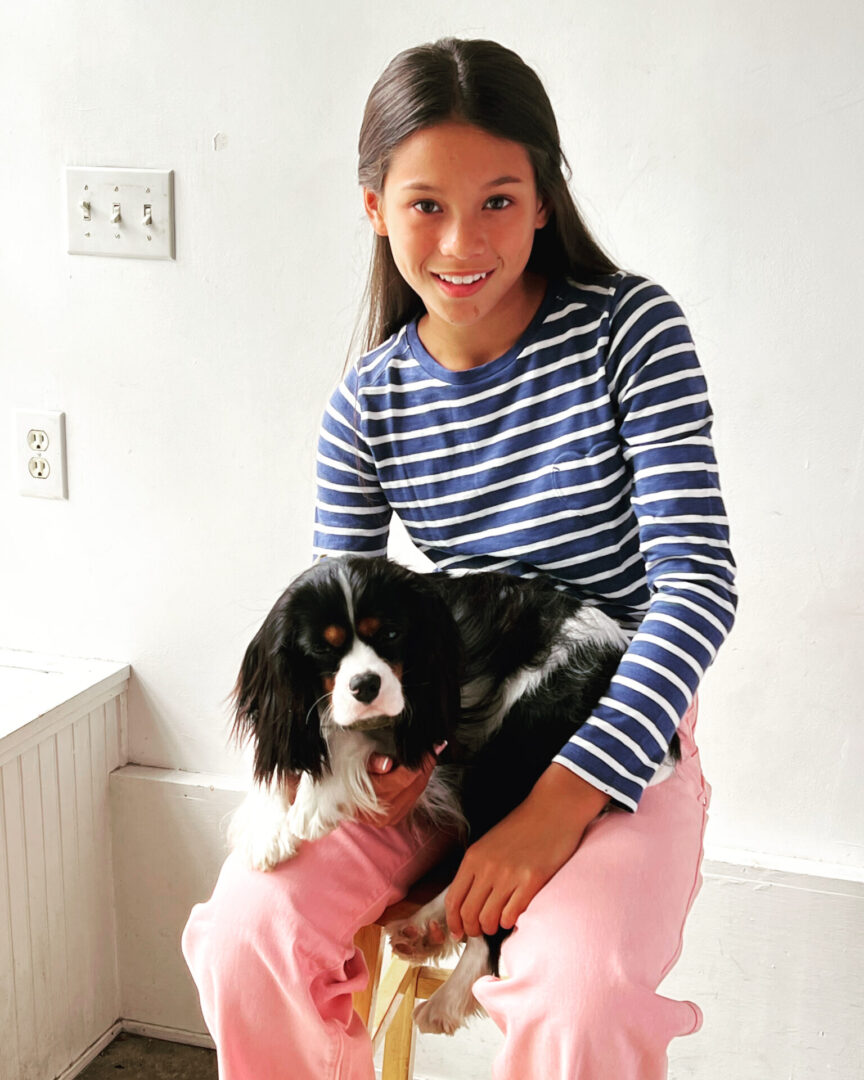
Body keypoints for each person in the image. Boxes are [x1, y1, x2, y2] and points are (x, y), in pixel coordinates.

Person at [182, 37, 736, 1079]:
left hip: (613, 744)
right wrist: (392, 769)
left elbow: (697, 588)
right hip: (434, 750)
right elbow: (330, 634)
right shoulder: (365, 408)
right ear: (375, 208)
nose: (460, 239)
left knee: (581, 997)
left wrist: (558, 804)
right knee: (246, 936)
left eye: (498, 199)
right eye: (426, 203)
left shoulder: (633, 333)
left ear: (542, 198)